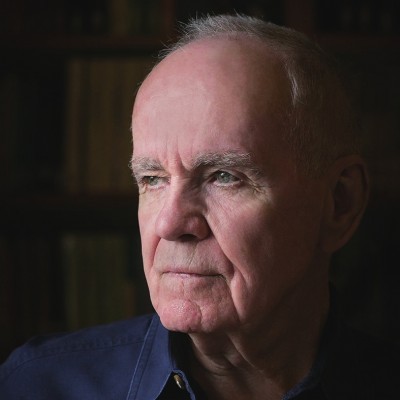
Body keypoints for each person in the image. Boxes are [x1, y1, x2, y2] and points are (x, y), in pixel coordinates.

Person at [0, 14, 397, 399]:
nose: (170, 223)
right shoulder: (34, 387)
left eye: (223, 176)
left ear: (340, 203)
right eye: (152, 179)